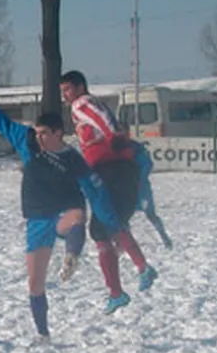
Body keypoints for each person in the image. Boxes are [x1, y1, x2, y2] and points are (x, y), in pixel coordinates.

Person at [0, 87, 121, 336]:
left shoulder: (73, 159)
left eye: (45, 133)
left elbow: (96, 193)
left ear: (59, 134)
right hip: (37, 220)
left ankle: (71, 256)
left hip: (63, 215)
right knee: (35, 284)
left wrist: (113, 225)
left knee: (77, 216)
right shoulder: (28, 142)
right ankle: (43, 333)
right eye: (37, 133)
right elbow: (3, 122)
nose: (39, 138)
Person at [60, 70, 159, 314]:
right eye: (62, 91)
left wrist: (113, 135)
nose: (65, 95)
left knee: (106, 225)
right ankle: (118, 291)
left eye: (68, 89)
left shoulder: (82, 104)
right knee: (103, 230)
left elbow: (101, 117)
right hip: (113, 169)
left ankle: (140, 270)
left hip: (109, 168)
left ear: (80, 86)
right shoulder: (87, 104)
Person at [126, 134, 173, 249]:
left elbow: (148, 165)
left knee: (150, 214)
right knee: (124, 217)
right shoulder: (116, 147)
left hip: (140, 189)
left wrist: (137, 178)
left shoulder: (136, 148)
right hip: (127, 189)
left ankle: (164, 237)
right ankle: (126, 242)